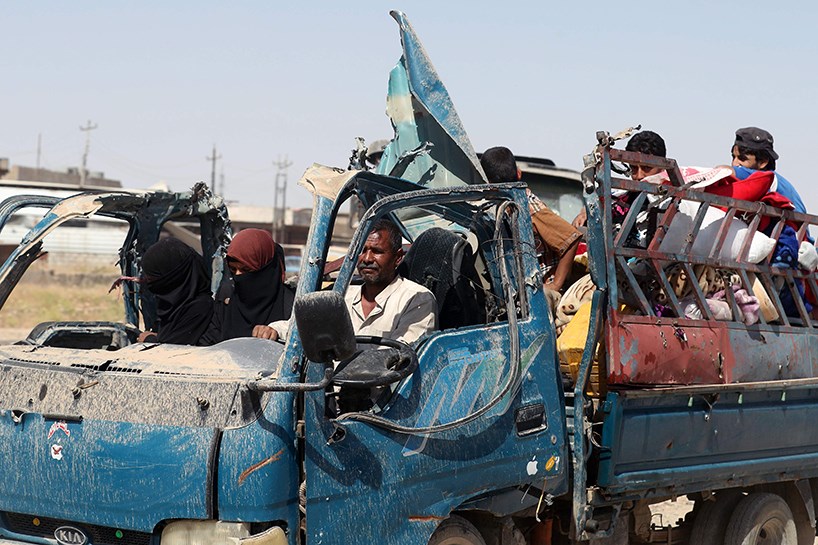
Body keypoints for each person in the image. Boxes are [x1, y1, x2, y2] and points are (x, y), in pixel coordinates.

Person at [254, 218, 437, 345]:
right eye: (362, 250)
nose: (366, 258)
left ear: (398, 258)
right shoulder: (343, 296)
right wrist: (273, 330)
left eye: (377, 251)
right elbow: (305, 326)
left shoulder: (417, 299)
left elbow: (401, 355)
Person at [480, 146, 581, 294]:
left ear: (488, 184)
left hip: (541, 290)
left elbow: (571, 238)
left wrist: (555, 285)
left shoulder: (529, 208)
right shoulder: (505, 207)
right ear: (519, 173)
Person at [205, 229, 295, 344]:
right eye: (233, 269)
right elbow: (209, 343)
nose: (237, 276)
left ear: (266, 269)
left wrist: (277, 332)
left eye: (246, 269)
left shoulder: (290, 305)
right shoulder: (227, 300)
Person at [571, 130, 668, 229]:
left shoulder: (672, 203)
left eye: (647, 168)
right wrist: (587, 213)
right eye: (634, 168)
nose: (639, 176)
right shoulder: (623, 198)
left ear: (663, 167)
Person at [138, 237, 214, 345]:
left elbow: (175, 349)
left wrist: (149, 340)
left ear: (174, 277)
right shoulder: (174, 303)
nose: (149, 284)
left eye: (152, 279)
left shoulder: (200, 307)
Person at [731, 126, 807, 214]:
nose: (735, 163)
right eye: (734, 157)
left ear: (763, 162)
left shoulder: (769, 178)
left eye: (742, 159)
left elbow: (728, 172)